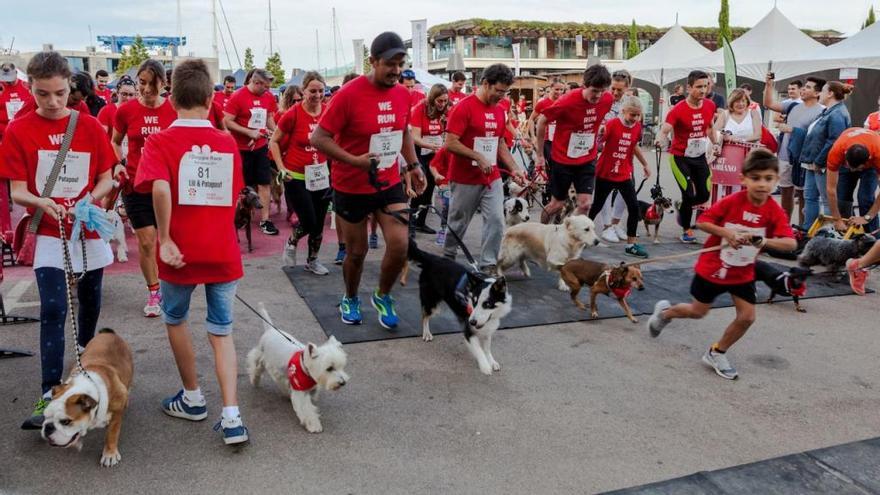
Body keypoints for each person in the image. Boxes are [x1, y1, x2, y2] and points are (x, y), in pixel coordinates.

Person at [134, 58, 249, 445]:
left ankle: (193, 396)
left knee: (176, 318)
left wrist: (165, 238)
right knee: (222, 331)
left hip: (179, 253)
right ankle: (232, 415)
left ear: (172, 96)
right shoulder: (226, 142)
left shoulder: (159, 141)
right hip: (221, 251)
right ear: (210, 96)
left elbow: (159, 188)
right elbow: (233, 197)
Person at [1, 51, 115, 428]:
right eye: (42, 94)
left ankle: (83, 355)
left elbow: (106, 176)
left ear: (71, 88)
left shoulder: (90, 126)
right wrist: (43, 202)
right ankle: (49, 390)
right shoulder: (18, 130)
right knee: (53, 308)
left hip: (87, 228)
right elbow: (17, 190)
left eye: (60, 93)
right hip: (48, 230)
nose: (52, 102)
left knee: (90, 300)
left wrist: (91, 199)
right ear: (30, 88)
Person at [310, 31, 427, 329]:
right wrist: (355, 161)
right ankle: (350, 296)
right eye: (390, 63)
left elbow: (402, 131)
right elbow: (318, 138)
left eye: (401, 63)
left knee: (400, 244)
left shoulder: (403, 93)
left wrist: (413, 165)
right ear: (372, 61)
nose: (396, 70)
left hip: (388, 182)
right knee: (357, 253)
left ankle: (382, 295)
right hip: (350, 185)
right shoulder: (348, 94)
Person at [648, 149, 796, 380]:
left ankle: (716, 352)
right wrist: (726, 232)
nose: (762, 185)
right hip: (713, 267)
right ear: (743, 179)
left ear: (777, 180)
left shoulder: (774, 210)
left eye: (768, 179)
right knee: (698, 312)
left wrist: (764, 240)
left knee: (747, 317)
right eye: (755, 178)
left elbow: (790, 243)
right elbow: (703, 222)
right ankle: (665, 313)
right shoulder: (732, 201)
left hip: (743, 272)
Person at [443, 63, 526, 271]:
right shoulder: (463, 107)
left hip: (492, 178)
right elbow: (450, 142)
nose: (501, 96)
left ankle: (488, 265)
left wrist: (514, 167)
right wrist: (477, 157)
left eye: (505, 92)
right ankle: (448, 257)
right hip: (464, 178)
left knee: (497, 220)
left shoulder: (500, 111)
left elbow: (500, 143)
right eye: (498, 91)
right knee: (458, 222)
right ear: (485, 84)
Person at [113, 59, 178, 317]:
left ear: (164, 84)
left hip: (166, 186)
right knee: (147, 242)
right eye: (142, 83)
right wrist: (118, 163)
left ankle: (171, 285)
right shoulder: (126, 110)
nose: (147, 89)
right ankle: (154, 291)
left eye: (153, 84)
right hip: (135, 184)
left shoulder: (174, 109)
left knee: (169, 239)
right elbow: (115, 141)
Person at [535, 64, 613, 223]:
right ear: (584, 85)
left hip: (587, 158)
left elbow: (595, 121)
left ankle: (569, 235)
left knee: (585, 205)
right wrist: (540, 155)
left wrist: (598, 131)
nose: (598, 96)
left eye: (602, 91)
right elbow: (542, 122)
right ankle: (541, 232)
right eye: (594, 91)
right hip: (563, 160)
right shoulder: (567, 101)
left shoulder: (607, 99)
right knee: (557, 204)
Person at [270, 71, 331, 275]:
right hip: (295, 175)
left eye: (321, 91)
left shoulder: (328, 112)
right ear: (304, 91)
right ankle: (292, 240)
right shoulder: (293, 114)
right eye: (312, 91)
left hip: (320, 175)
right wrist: (281, 168)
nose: (317, 95)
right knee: (308, 221)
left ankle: (312, 260)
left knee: (319, 223)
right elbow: (274, 141)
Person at [655, 70, 720, 244]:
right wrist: (659, 139)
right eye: (699, 87)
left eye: (706, 86)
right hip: (680, 158)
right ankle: (686, 229)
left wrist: (715, 143)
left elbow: (709, 127)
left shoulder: (709, 105)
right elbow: (665, 129)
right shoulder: (678, 109)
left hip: (699, 158)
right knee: (689, 195)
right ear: (689, 88)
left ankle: (682, 206)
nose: (703, 90)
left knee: (704, 195)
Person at [588, 96, 651, 258]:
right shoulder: (613, 124)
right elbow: (599, 142)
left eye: (638, 115)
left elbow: (634, 146)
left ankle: (631, 244)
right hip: (605, 172)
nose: (635, 119)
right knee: (596, 206)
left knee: (634, 207)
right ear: (623, 112)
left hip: (623, 173)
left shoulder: (637, 127)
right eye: (632, 115)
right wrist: (600, 134)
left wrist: (645, 164)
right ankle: (581, 236)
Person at [223, 68, 279, 236]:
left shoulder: (268, 97)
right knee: (242, 185)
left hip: (260, 147)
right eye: (265, 87)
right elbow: (227, 121)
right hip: (241, 149)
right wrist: (248, 132)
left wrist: (276, 133)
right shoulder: (238, 96)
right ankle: (241, 215)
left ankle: (265, 220)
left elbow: (269, 118)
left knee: (264, 183)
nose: (268, 90)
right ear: (256, 83)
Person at [763, 74, 826, 224]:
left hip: (803, 159)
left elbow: (818, 137)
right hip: (785, 156)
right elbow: (768, 103)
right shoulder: (792, 105)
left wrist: (792, 129)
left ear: (817, 93)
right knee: (786, 192)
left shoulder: (822, 111)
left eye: (808, 87)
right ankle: (784, 227)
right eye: (804, 86)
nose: (803, 89)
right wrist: (769, 84)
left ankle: (802, 229)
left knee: (804, 194)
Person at [800, 81, 853, 230]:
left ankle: (829, 233)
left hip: (823, 164)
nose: (820, 94)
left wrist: (819, 160)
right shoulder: (829, 111)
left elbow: (834, 140)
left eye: (823, 91)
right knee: (810, 197)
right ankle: (808, 229)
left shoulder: (837, 113)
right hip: (813, 162)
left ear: (830, 94)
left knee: (827, 200)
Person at [596, 69, 633, 243]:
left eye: (620, 90)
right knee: (604, 189)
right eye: (613, 89)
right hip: (601, 149)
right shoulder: (602, 99)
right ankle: (606, 226)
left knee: (627, 189)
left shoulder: (630, 103)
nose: (616, 93)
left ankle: (616, 223)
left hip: (623, 150)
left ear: (627, 88)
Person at [409, 83, 448, 234]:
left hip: (434, 152)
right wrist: (430, 146)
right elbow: (415, 137)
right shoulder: (420, 108)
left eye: (445, 101)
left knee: (431, 186)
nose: (442, 104)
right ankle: (411, 224)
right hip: (420, 150)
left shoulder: (444, 110)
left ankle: (421, 222)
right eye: (439, 101)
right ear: (432, 99)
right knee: (420, 185)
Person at [825, 128, 880, 234]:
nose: (852, 171)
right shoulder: (836, 151)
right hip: (847, 150)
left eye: (857, 169)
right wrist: (837, 220)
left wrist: (867, 218)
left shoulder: (878, 155)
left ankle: (873, 239)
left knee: (865, 198)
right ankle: (845, 233)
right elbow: (830, 189)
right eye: (850, 167)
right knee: (842, 197)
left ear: (867, 161)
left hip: (871, 164)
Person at [0, 62, 34, 141]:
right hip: (2, 132)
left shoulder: (26, 86)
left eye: (10, 78)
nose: (8, 82)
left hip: (21, 131)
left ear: (16, 73)